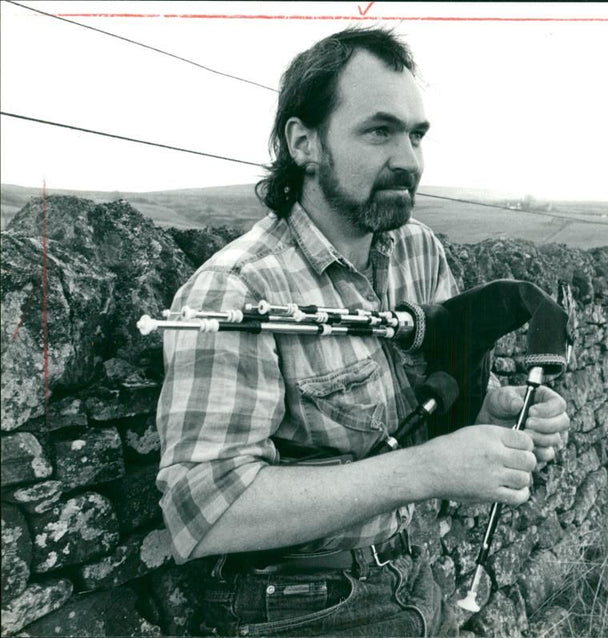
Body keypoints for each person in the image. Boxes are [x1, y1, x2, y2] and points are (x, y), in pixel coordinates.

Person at [156, 27, 570, 637]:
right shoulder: (238, 289)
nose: (408, 159)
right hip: (293, 609)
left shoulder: (418, 252)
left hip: (410, 578)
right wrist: (428, 471)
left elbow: (430, 405)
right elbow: (205, 512)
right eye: (379, 131)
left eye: (416, 134)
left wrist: (495, 412)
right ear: (304, 142)